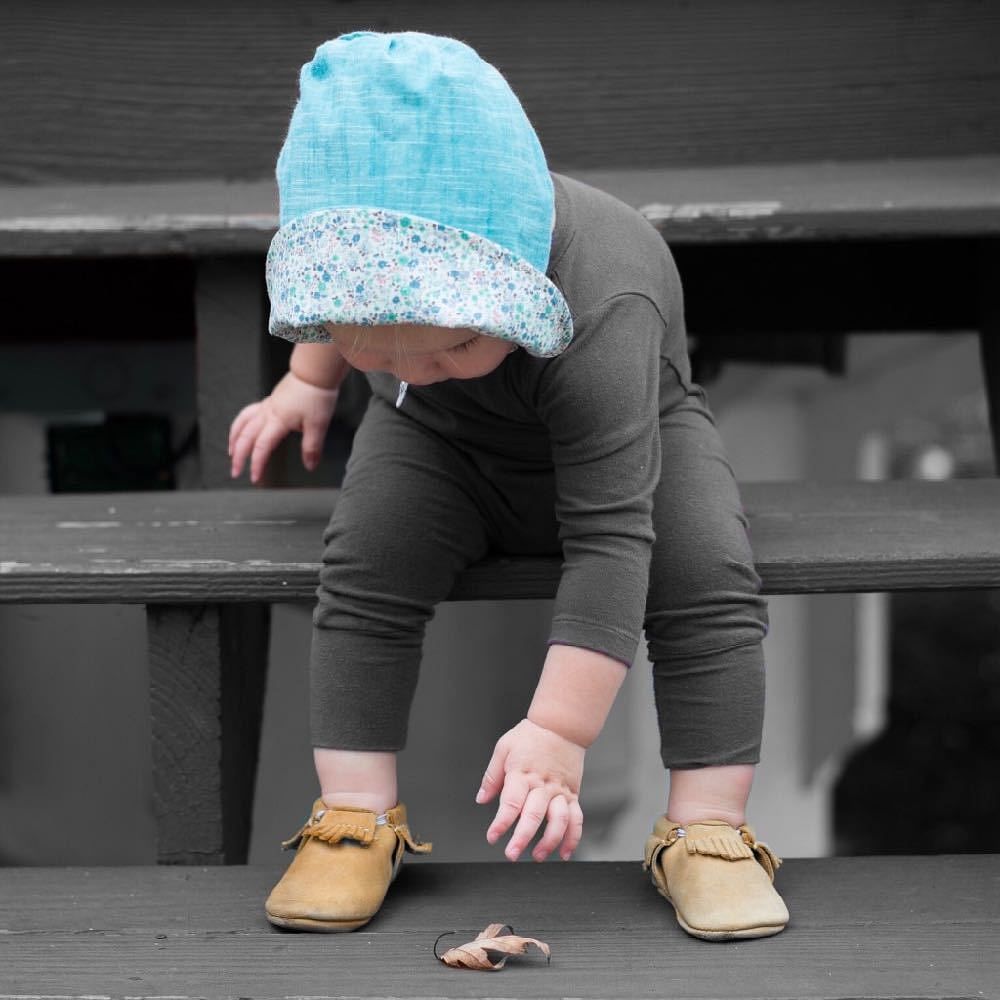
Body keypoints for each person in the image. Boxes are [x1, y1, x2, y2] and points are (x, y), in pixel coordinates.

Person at [228, 30, 789, 941]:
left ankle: (710, 827)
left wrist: (560, 732)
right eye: (376, 339)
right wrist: (313, 378)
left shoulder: (607, 296)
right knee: (366, 561)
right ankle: (354, 813)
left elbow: (612, 540)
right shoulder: (395, 339)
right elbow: (347, 281)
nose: (421, 361)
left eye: (453, 340)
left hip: (634, 447)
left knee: (705, 572)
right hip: (440, 446)